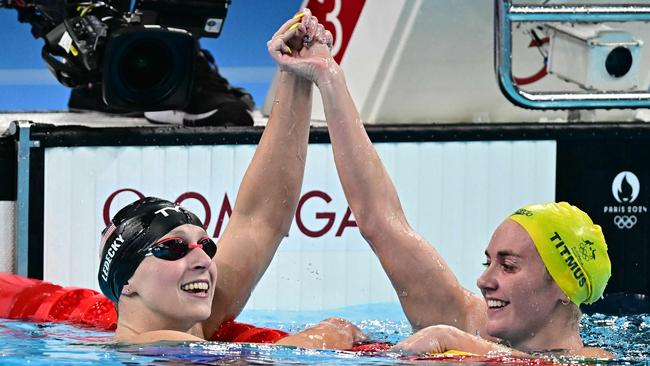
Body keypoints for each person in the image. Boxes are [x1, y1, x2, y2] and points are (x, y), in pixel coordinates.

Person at [272, 31, 613, 357]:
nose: (483, 280)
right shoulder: (469, 324)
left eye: (508, 266)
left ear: (563, 288)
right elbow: (381, 223)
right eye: (488, 262)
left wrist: (451, 340)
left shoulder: (599, 360)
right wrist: (329, 77)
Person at [97, 10, 366, 348]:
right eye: (173, 248)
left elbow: (261, 220)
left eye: (206, 246)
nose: (202, 260)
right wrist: (330, 334)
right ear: (127, 282)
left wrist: (295, 74)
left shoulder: (186, 320)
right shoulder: (154, 348)